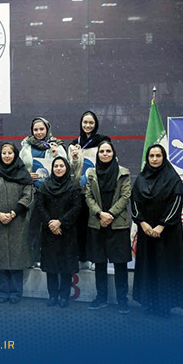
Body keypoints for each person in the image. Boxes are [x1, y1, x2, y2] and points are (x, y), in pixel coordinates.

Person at [131, 144, 183, 317]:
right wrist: (143, 224)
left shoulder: (172, 178)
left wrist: (161, 226)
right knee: (149, 267)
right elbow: (134, 202)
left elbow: (176, 203)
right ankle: (150, 302)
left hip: (168, 234)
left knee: (165, 269)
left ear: (163, 157)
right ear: (147, 158)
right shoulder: (141, 178)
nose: (155, 159)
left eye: (158, 155)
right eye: (152, 156)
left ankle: (165, 306)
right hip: (147, 232)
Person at [0, 143, 34, 304]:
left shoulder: (23, 175)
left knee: (17, 258)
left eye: (9, 153)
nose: (6, 156)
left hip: (18, 222)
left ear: (15, 154)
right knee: (0, 259)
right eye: (4, 153)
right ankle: (3, 292)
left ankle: (16, 293)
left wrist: (12, 214)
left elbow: (28, 196)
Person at [84, 141, 132, 314]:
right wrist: (100, 214)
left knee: (120, 264)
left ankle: (122, 300)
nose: (105, 154)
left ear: (113, 153)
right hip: (98, 224)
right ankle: (101, 298)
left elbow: (126, 196)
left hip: (118, 224)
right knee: (100, 263)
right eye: (102, 151)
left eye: (108, 151)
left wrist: (110, 214)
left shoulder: (123, 172)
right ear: (98, 155)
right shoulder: (92, 173)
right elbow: (88, 196)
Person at [20, 117, 67, 265]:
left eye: (41, 129)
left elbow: (65, 167)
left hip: (52, 193)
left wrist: (55, 154)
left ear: (47, 129)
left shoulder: (57, 145)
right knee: (32, 226)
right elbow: (18, 169)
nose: (39, 132)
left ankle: (48, 258)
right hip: (32, 192)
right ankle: (32, 258)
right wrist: (27, 175)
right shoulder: (26, 147)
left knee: (49, 226)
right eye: (36, 129)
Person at [36, 157, 80, 309]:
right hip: (49, 233)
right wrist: (51, 223)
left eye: (62, 166)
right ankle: (53, 295)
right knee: (51, 266)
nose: (59, 168)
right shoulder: (45, 186)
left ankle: (64, 296)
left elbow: (76, 207)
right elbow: (40, 206)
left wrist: (60, 222)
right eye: (56, 166)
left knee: (66, 267)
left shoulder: (73, 186)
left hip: (67, 232)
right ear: (52, 168)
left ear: (66, 168)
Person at [69, 111, 111, 268]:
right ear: (81, 124)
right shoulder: (74, 144)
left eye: (91, 123)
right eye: (85, 122)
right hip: (80, 192)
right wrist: (74, 158)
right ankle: (82, 258)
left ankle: (97, 258)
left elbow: (108, 163)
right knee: (80, 226)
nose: (88, 125)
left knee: (97, 226)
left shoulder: (103, 142)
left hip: (97, 192)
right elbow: (71, 171)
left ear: (96, 124)